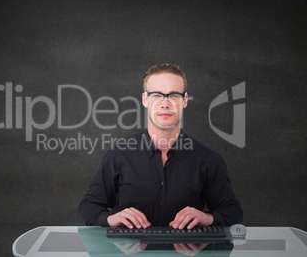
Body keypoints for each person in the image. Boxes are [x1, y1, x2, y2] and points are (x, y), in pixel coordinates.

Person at [78, 64, 243, 230]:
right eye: (157, 95)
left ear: (184, 101)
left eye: (173, 95)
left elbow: (233, 212)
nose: (165, 104)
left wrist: (207, 218)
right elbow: (88, 207)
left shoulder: (208, 160)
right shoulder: (118, 155)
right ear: (145, 100)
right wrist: (111, 218)